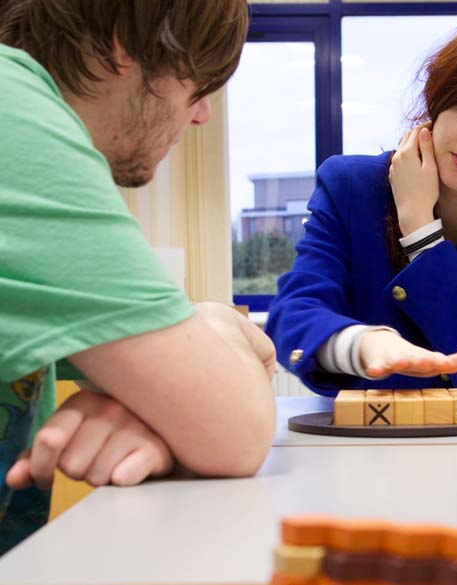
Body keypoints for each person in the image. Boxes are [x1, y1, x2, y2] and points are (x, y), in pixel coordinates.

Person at [0, 0, 277, 553]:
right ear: (125, 43)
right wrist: (216, 320)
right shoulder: (14, 110)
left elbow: (183, 400)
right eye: (198, 84)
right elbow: (235, 429)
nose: (200, 115)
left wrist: (157, 415)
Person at [267, 10, 457, 398]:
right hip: (368, 431)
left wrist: (421, 231)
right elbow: (293, 316)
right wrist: (362, 345)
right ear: (439, 97)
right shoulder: (351, 186)